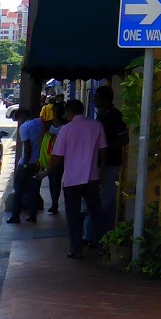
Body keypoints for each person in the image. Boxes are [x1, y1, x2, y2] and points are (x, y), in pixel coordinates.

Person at [48, 99, 106, 259]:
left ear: (69, 112)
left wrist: (46, 172)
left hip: (72, 179)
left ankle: (75, 249)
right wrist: (101, 170)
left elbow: (58, 156)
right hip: (92, 178)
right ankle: (103, 245)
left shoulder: (66, 130)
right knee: (96, 213)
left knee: (73, 216)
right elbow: (103, 150)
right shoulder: (96, 126)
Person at [88, 86, 130, 243]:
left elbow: (124, 139)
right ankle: (94, 233)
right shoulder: (100, 116)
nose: (94, 99)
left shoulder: (115, 116)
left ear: (105, 99)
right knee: (95, 199)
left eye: (97, 97)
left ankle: (106, 235)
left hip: (110, 164)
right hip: (96, 163)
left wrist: (104, 145)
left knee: (107, 200)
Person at [5, 108, 43, 224]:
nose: (19, 122)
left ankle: (15, 216)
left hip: (26, 163)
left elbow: (27, 147)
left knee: (19, 191)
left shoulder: (24, 127)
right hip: (37, 162)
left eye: (18, 119)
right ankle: (32, 215)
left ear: (22, 116)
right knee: (33, 190)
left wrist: (25, 164)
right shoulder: (39, 122)